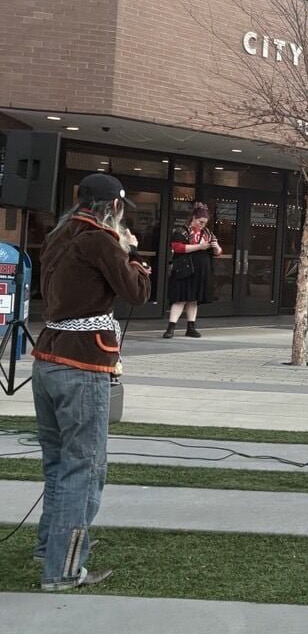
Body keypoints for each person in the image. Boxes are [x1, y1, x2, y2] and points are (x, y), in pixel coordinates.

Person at [32, 173, 152, 591]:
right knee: (84, 468)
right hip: (82, 364)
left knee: (59, 463)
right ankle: (63, 568)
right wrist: (134, 257)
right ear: (113, 207)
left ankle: (52, 545)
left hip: (48, 358)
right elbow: (135, 292)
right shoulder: (101, 239)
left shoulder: (59, 234)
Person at [164, 203, 222, 338]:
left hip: (201, 271)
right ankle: (170, 328)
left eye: (205, 223)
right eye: (200, 222)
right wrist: (199, 247)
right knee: (180, 299)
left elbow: (218, 252)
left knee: (193, 299)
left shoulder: (207, 233)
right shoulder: (181, 231)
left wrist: (215, 247)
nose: (202, 225)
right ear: (194, 218)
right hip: (185, 270)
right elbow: (178, 248)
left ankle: (191, 327)